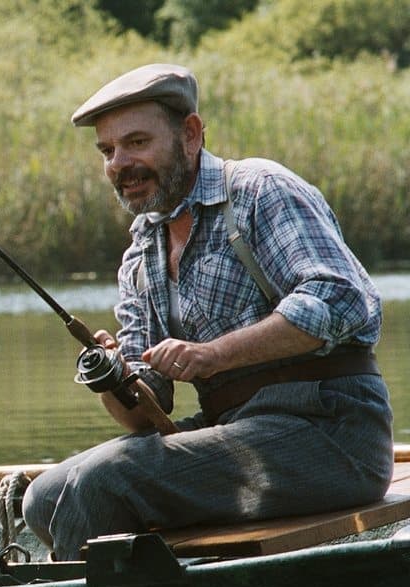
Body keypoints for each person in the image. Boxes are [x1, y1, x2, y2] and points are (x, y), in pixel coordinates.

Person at [22, 64, 393, 561]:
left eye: (136, 142)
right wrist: (112, 376)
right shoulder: (142, 252)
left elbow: (341, 297)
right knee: (42, 497)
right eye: (107, 151)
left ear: (190, 134)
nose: (119, 164)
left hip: (332, 433)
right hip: (238, 431)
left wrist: (213, 355)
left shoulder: (260, 190)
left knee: (103, 483)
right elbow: (144, 415)